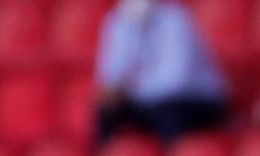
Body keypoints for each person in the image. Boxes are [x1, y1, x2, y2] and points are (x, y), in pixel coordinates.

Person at [94, 0, 230, 145]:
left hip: (196, 100)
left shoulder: (176, 19)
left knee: (169, 112)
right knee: (108, 109)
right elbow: (112, 74)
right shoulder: (120, 21)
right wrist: (115, 91)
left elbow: (177, 80)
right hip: (150, 100)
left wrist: (130, 90)